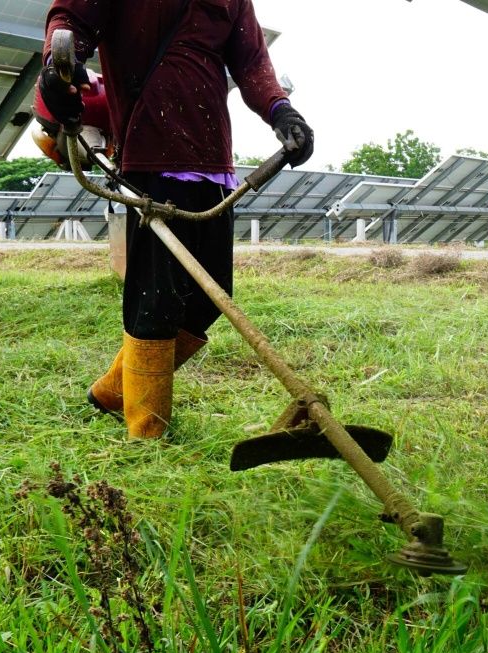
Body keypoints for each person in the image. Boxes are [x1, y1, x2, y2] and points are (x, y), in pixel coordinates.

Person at [37, 0, 314, 439]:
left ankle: (112, 392)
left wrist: (281, 111)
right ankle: (147, 435)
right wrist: (58, 65)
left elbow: (252, 61)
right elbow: (71, 20)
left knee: (210, 294)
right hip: (148, 157)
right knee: (156, 297)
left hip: (214, 163)